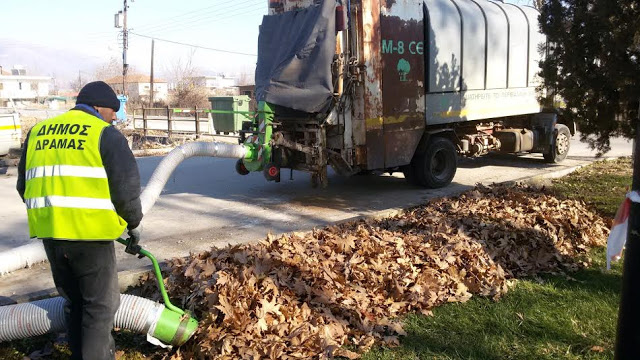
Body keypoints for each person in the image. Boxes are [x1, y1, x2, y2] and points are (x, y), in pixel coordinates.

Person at [16, 81, 143, 360]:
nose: (114, 118)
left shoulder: (38, 132)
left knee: (74, 303)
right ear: (98, 107)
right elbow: (126, 191)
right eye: (112, 112)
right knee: (99, 309)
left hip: (51, 236)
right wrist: (134, 224)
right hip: (90, 237)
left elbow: (23, 187)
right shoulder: (104, 134)